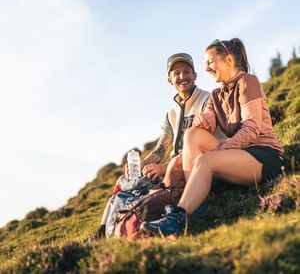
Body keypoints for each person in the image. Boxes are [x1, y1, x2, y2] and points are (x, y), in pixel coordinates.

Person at [141, 38, 284, 237]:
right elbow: (205, 121)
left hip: (264, 155)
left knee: (205, 160)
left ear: (228, 60)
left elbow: (251, 128)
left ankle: (179, 217)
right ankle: (198, 202)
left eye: (210, 61)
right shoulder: (216, 95)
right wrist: (183, 150)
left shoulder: (247, 82)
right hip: (240, 153)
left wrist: (221, 150)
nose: (206, 67)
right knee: (192, 134)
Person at [93, 53, 225, 238]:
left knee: (135, 195)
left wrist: (164, 168)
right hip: (172, 168)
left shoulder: (207, 100)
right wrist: (142, 166)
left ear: (195, 75)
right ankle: (101, 232)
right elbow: (161, 148)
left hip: (192, 166)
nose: (182, 77)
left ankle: (138, 226)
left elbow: (202, 145)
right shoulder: (171, 113)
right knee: (123, 184)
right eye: (176, 73)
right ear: (169, 80)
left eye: (187, 71)